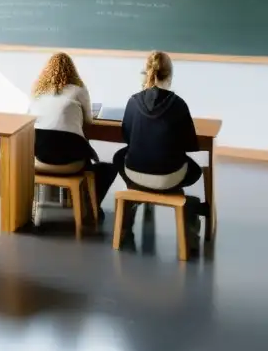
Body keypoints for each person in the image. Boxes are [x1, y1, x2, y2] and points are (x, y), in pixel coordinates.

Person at [113, 51, 202, 244]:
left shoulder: (133, 101)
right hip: (169, 177)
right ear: (170, 75)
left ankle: (131, 204)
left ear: (147, 73)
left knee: (119, 157)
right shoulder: (179, 104)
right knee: (195, 169)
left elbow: (126, 137)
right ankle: (190, 221)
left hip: (135, 173)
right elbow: (190, 144)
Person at [29, 52, 115, 215]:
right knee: (103, 167)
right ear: (72, 70)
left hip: (39, 158)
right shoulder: (78, 90)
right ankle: (91, 207)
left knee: (62, 146)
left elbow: (29, 118)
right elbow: (89, 121)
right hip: (70, 161)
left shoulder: (38, 93)